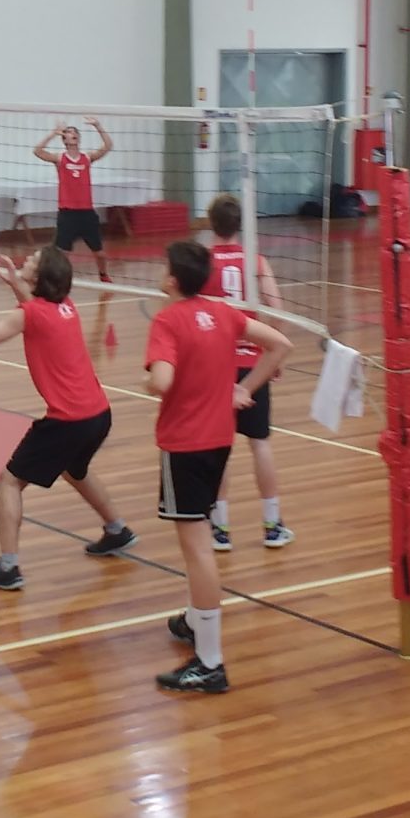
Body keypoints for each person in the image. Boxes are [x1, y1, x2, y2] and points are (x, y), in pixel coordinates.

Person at [146, 241, 290, 695]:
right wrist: (243, 389)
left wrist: (151, 380)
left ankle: (209, 662)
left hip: (184, 444)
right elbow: (280, 344)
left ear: (172, 280)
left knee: (198, 550)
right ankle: (194, 621)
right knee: (201, 538)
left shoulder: (167, 321)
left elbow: (162, 381)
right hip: (218, 439)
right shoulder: (224, 313)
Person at [0, 247, 136, 589]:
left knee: (10, 480)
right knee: (74, 470)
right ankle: (117, 530)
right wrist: (16, 283)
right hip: (99, 415)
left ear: (40, 277)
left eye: (33, 260)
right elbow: (34, 309)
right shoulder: (66, 306)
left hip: (68, 421)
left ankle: (8, 566)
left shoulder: (30, 314)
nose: (27, 259)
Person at [203, 195, 292, 549]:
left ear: (211, 223)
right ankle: (272, 525)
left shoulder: (202, 262)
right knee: (260, 444)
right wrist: (272, 357)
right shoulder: (255, 261)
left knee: (219, 446)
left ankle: (220, 529)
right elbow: (277, 309)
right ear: (240, 224)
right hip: (251, 364)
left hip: (216, 366)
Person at [34, 119, 113, 284]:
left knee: (99, 253)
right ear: (64, 139)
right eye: (69, 132)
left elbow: (107, 146)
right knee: (62, 253)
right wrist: (52, 134)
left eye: (76, 132)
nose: (74, 134)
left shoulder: (87, 157)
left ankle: (104, 275)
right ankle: (57, 279)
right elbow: (37, 151)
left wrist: (98, 125)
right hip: (68, 213)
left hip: (87, 213)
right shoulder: (60, 158)